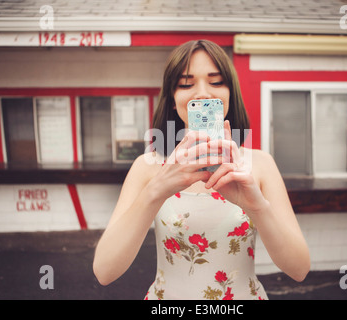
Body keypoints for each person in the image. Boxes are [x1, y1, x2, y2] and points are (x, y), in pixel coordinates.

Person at [93, 39, 310, 300]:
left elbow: (299, 270)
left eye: (216, 81)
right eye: (186, 84)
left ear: (231, 93)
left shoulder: (260, 164)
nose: (203, 93)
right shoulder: (148, 167)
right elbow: (104, 272)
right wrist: (156, 190)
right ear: (173, 99)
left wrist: (257, 207)